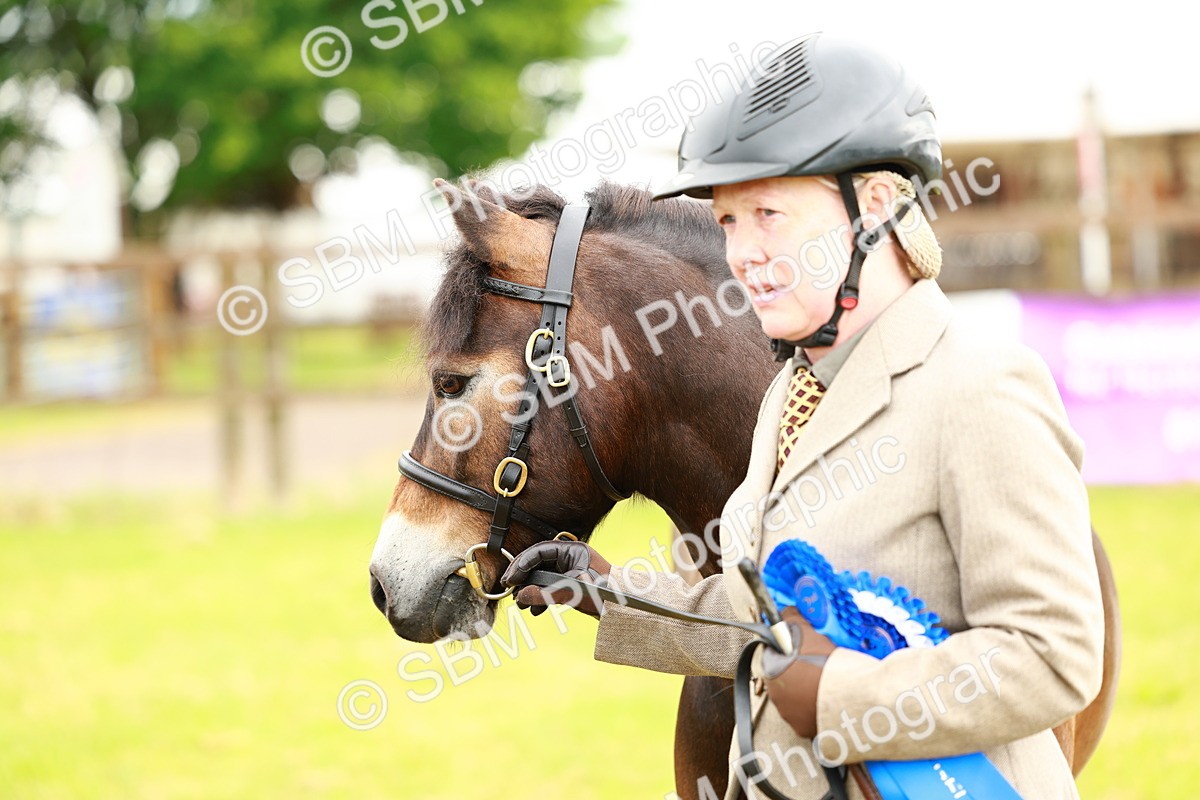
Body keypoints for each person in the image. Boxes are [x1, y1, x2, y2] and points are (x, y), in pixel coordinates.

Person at [501, 33, 1104, 800]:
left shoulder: (982, 387)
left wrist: (840, 701)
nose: (743, 253)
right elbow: (774, 623)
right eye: (727, 223)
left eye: (769, 214)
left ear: (876, 207)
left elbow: (1053, 655)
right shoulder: (791, 394)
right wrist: (609, 595)